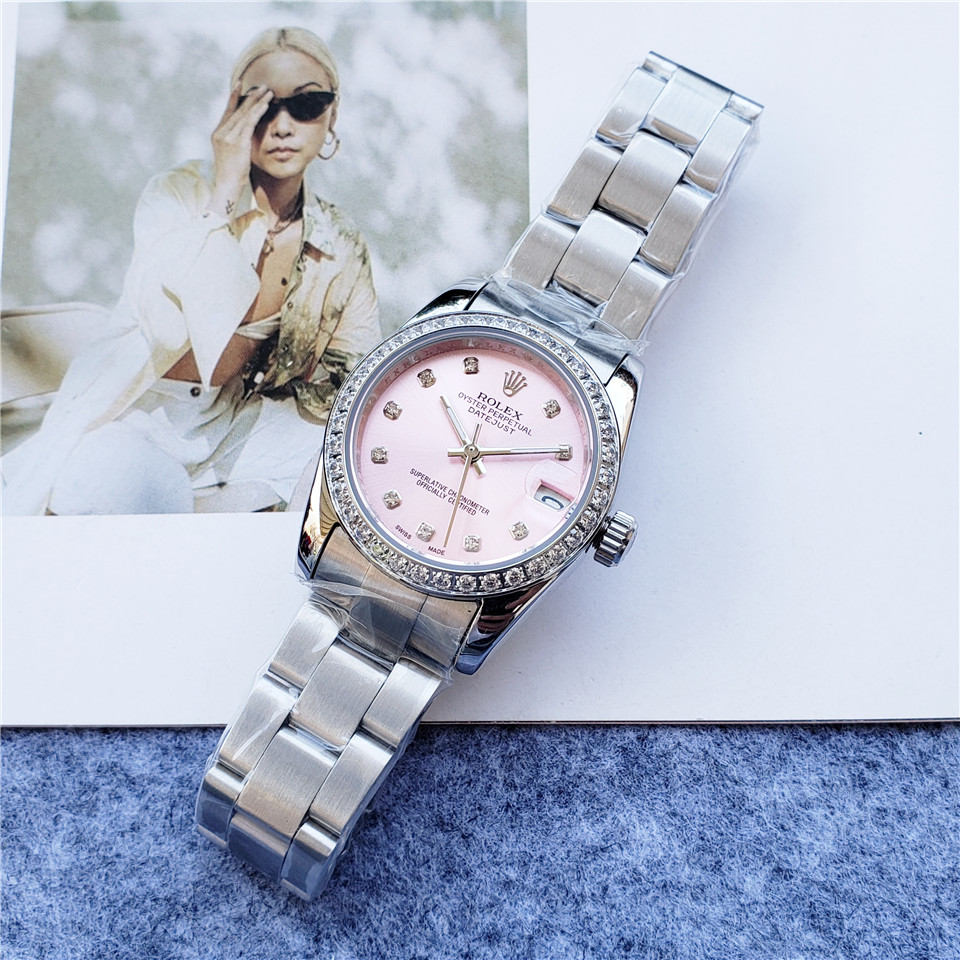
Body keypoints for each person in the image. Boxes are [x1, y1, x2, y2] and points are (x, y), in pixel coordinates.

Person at [1, 27, 381, 515]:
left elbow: (353, 376)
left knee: (349, 451)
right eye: (262, 105)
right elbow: (166, 326)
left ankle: (217, 511)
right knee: (137, 486)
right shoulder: (178, 194)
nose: (283, 126)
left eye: (306, 105)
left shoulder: (337, 241)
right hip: (138, 413)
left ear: (332, 115)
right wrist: (225, 189)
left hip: (229, 426)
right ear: (234, 109)